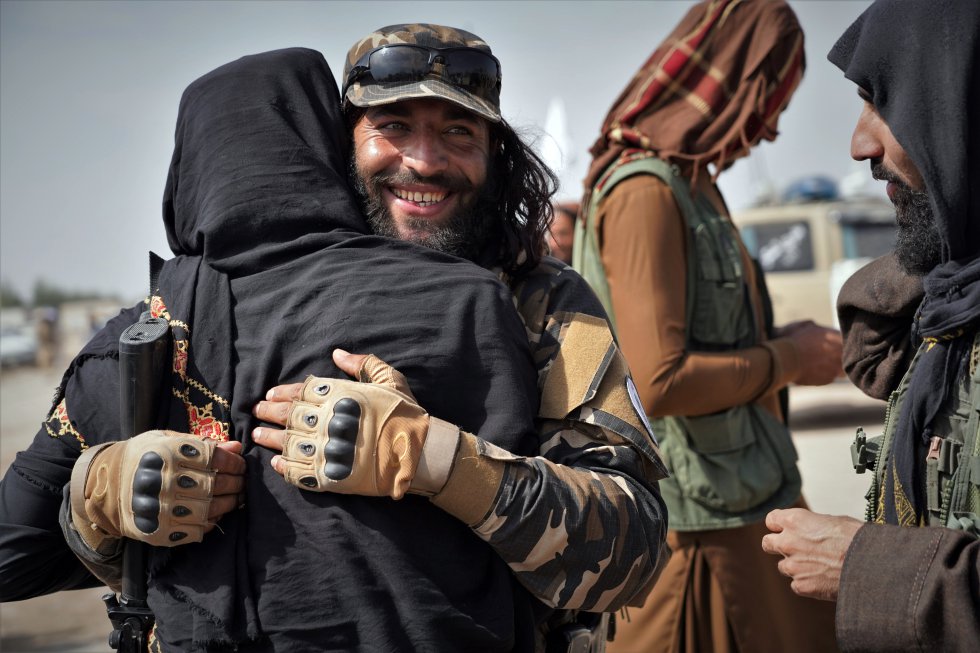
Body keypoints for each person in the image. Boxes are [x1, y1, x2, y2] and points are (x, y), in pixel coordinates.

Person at [1, 32, 669, 653]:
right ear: (334, 146)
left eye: (458, 132)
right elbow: (26, 551)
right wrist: (100, 496)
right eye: (393, 127)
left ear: (495, 155)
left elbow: (636, 549)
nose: (425, 161)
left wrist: (447, 462)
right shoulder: (192, 316)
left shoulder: (537, 301)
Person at [573, 1, 843, 651]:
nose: (773, 127)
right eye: (771, 96)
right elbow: (660, 382)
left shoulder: (692, 185)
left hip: (740, 503)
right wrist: (790, 358)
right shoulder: (645, 192)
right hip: (694, 528)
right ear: (731, 83)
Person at [761, 1, 980, 651]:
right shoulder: (949, 308)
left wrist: (867, 567)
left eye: (888, 102)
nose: (861, 143)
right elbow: (873, 347)